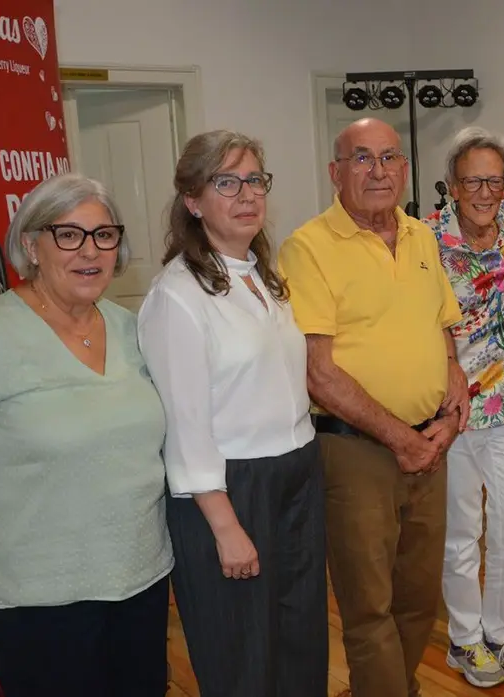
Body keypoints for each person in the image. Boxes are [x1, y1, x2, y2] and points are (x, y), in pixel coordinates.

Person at [0, 173, 173, 696]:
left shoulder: (131, 329)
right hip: (36, 601)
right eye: (68, 235)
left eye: (104, 235)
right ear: (31, 246)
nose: (89, 251)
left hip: (140, 580)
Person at [278, 117, 464, 697]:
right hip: (356, 452)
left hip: (430, 446)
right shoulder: (307, 247)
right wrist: (401, 440)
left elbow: (443, 327)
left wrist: (452, 397)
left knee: (417, 600)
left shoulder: (422, 236)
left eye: (389, 158)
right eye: (362, 158)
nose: (378, 171)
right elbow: (319, 372)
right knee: (369, 608)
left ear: (406, 171)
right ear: (336, 172)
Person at [137, 130, 325, 696]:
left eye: (254, 181)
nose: (247, 195)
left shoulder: (262, 275)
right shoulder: (178, 296)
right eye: (227, 182)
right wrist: (225, 526)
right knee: (242, 655)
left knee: (300, 638)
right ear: (193, 200)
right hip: (229, 489)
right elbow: (185, 425)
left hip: (295, 470)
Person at [424, 127, 504, 688]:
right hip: (451, 410)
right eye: (474, 179)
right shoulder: (423, 239)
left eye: (496, 180)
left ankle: (501, 627)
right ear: (451, 185)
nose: (486, 191)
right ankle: (466, 638)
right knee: (461, 530)